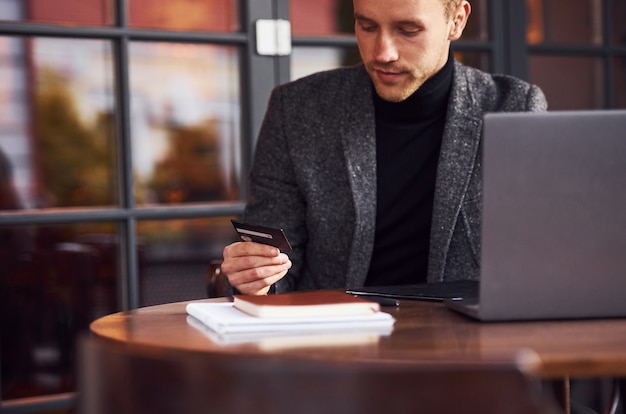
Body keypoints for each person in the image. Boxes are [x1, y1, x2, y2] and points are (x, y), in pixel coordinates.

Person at [221, 0, 548, 295]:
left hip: (468, 345)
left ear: (457, 21)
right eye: (367, 26)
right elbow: (276, 259)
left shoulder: (513, 107)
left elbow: (536, 256)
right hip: (335, 340)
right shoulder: (297, 109)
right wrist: (257, 278)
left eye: (408, 30)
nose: (382, 53)